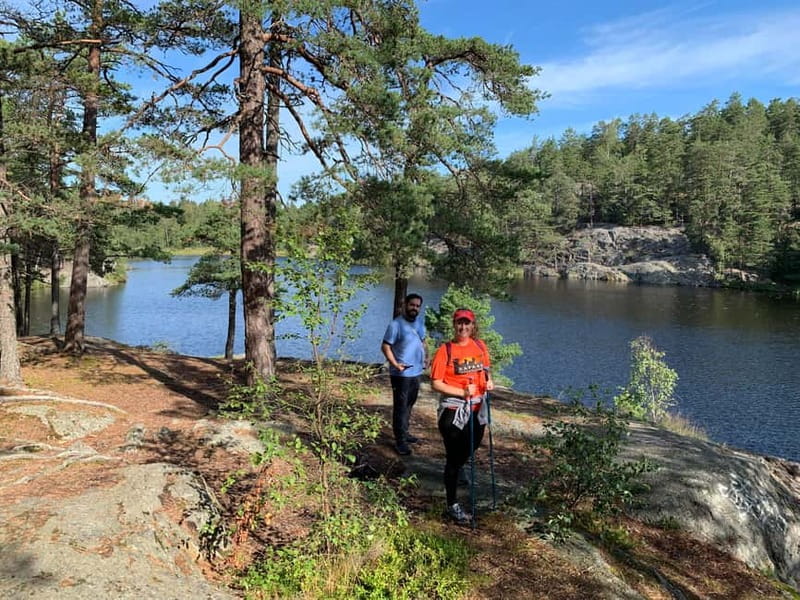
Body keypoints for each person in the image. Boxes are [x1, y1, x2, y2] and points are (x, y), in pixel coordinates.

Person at [430, 307, 494, 525]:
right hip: (453, 409)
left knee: (472, 447)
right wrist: (461, 392)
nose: (463, 327)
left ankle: (458, 468)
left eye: (467, 323)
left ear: (472, 325)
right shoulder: (445, 350)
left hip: (477, 408)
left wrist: (488, 381)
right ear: (454, 325)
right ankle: (452, 504)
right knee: (453, 458)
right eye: (459, 323)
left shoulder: (480, 346)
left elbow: (485, 370)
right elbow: (436, 383)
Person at [381, 293, 427, 456]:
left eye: (417, 306)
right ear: (405, 305)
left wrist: (425, 358)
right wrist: (395, 364)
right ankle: (399, 441)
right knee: (400, 407)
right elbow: (385, 346)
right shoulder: (396, 325)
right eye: (412, 305)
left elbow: (422, 341)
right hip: (401, 374)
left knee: (410, 404)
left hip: (416, 372)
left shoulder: (420, 323)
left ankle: (405, 432)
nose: (414, 308)